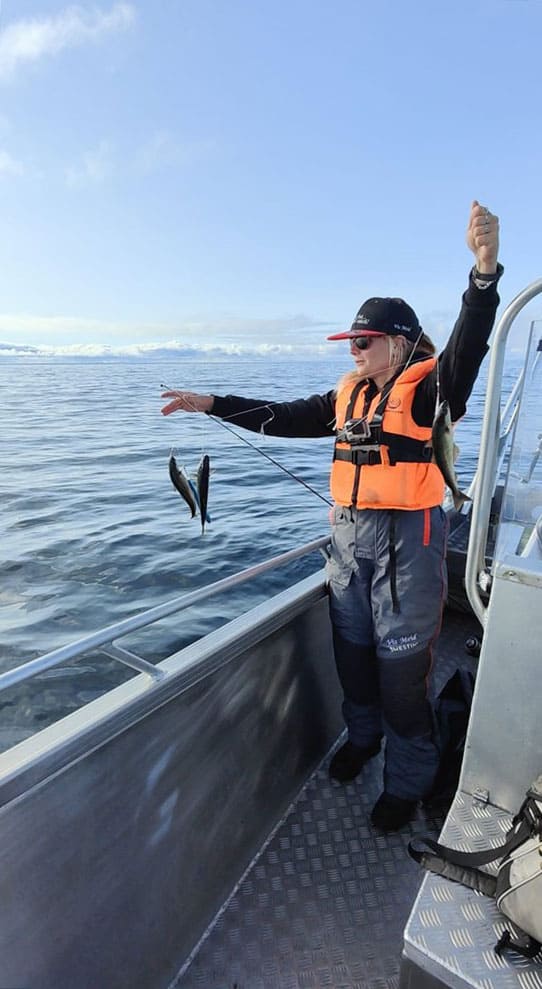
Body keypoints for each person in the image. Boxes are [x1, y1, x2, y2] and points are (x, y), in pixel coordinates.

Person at [161, 200, 502, 831]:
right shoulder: (345, 395)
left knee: (402, 674)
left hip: (409, 545)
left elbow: (467, 352)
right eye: (349, 341)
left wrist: (482, 275)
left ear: (397, 343)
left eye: (362, 341)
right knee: (352, 657)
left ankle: (408, 780)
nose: (353, 350)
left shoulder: (430, 387)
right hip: (348, 544)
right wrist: (210, 403)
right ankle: (363, 738)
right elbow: (284, 416)